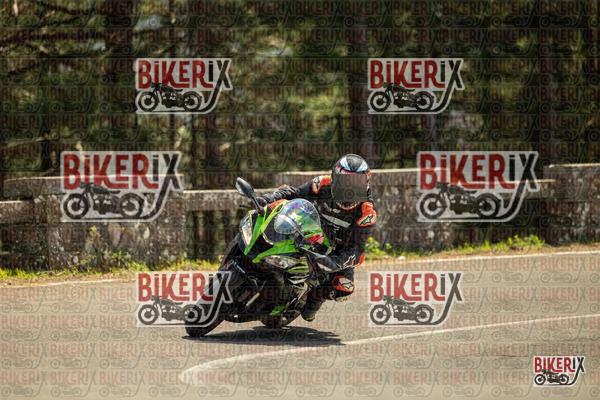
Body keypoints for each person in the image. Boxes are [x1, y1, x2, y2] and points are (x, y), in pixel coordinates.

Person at [256, 154, 377, 321]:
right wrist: (270, 198)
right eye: (345, 183)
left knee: (344, 289)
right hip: (309, 231)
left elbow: (357, 250)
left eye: (356, 184)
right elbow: (294, 193)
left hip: (336, 251)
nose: (349, 190)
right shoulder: (321, 184)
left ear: (366, 185)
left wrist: (335, 262)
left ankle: (315, 299)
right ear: (334, 179)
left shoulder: (366, 212)